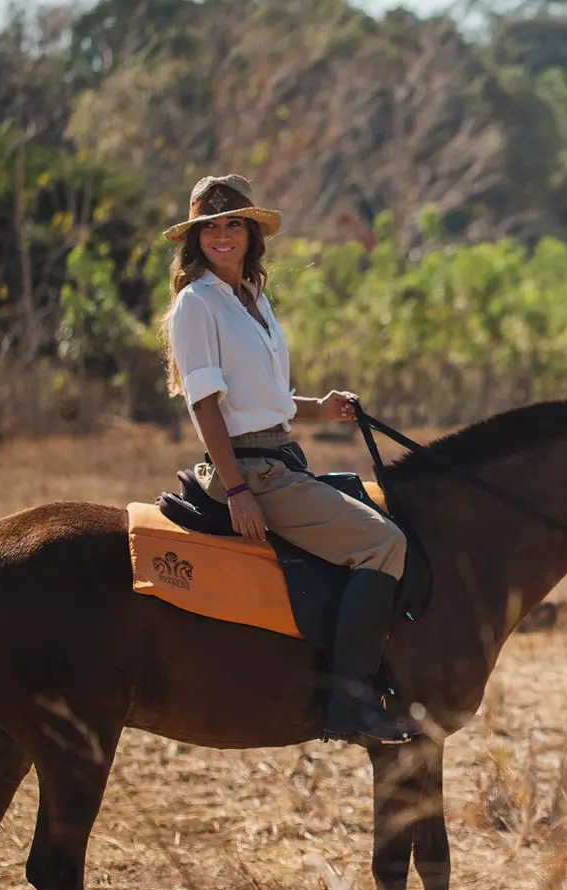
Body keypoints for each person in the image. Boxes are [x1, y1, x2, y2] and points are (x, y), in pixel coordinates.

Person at [158, 173, 422, 747]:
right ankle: (347, 704)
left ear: (251, 234)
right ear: (195, 239)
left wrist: (318, 408)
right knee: (385, 544)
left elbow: (259, 400)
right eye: (210, 228)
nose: (222, 237)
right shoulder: (196, 304)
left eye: (233, 225)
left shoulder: (253, 298)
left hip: (283, 454)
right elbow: (206, 405)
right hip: (255, 470)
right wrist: (236, 489)